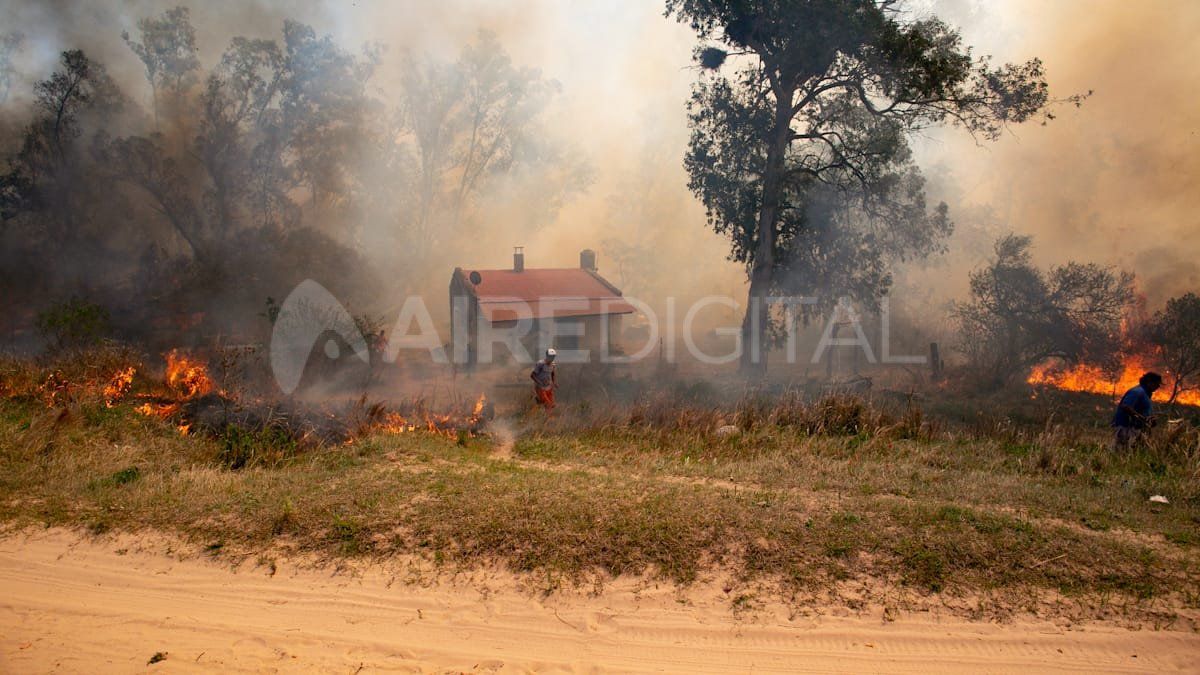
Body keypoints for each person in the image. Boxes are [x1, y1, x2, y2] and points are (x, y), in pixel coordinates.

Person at [1112, 372, 1162, 448]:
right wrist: (1142, 419)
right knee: (1122, 451)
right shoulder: (1137, 392)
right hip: (1126, 428)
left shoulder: (1145, 393)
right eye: (1157, 384)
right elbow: (1126, 406)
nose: (1158, 386)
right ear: (1149, 382)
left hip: (1136, 430)